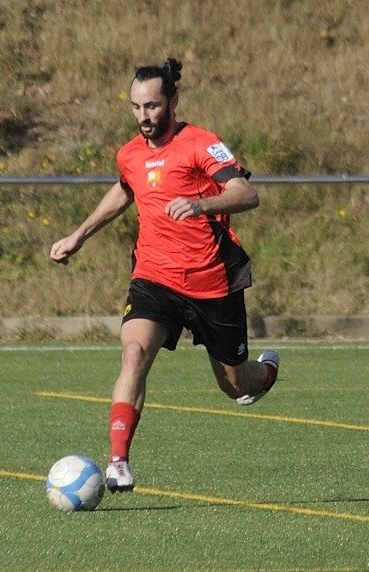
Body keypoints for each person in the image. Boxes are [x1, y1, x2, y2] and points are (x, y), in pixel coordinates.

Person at [49, 58, 278, 493]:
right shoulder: (130, 153)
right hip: (155, 276)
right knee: (133, 353)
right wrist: (79, 235)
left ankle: (264, 372)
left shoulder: (200, 143)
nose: (143, 117)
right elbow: (125, 189)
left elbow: (246, 193)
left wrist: (201, 205)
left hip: (212, 281)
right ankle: (118, 462)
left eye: (152, 106)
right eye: (136, 107)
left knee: (236, 385)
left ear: (172, 101)